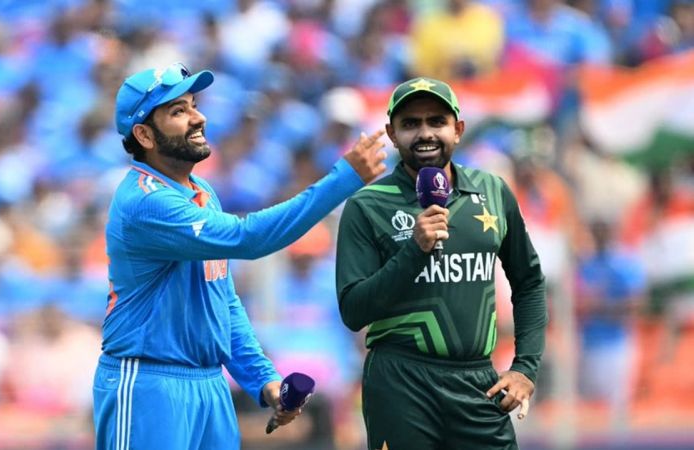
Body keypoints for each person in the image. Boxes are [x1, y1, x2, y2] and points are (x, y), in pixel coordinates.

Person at [93, 62, 387, 450]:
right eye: (178, 111)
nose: (198, 117)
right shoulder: (145, 202)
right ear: (144, 134)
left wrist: (263, 381)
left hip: (209, 385)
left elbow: (223, 303)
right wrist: (344, 179)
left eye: (193, 104)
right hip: (150, 383)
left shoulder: (202, 194)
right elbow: (250, 239)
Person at [335, 77, 548, 449]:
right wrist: (414, 251)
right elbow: (354, 311)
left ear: (458, 129)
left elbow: (528, 281)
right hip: (401, 383)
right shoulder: (366, 205)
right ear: (391, 133)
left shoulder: (493, 191)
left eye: (436, 122)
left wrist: (525, 368)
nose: (425, 133)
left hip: (478, 382)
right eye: (410, 124)